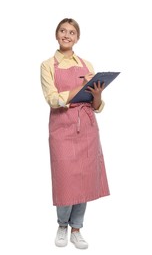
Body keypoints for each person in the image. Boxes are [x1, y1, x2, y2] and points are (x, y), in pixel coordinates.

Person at [40, 18, 110, 249]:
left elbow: (97, 105)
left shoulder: (87, 65)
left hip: (87, 127)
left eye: (72, 32)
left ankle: (77, 228)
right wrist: (80, 89)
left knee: (84, 178)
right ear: (56, 34)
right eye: (63, 31)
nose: (67, 35)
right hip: (62, 126)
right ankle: (62, 224)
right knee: (66, 177)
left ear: (77, 38)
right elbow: (52, 98)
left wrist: (96, 93)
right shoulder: (48, 65)